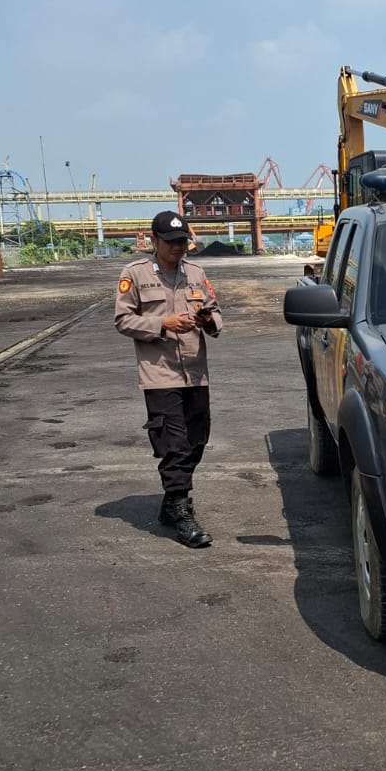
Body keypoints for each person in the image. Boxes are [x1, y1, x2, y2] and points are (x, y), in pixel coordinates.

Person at [113, 211, 223, 547]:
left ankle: (171, 500)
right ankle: (181, 509)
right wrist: (163, 324)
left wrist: (207, 321)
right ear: (155, 241)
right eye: (172, 242)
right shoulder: (135, 274)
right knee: (174, 444)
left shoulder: (196, 274)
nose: (178, 248)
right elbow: (122, 320)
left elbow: (215, 311)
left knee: (197, 441)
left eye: (182, 242)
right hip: (159, 373)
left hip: (195, 371)